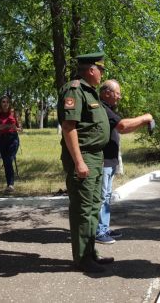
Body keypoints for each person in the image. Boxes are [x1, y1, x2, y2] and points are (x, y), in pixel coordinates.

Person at [57, 51, 113, 273]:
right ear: (91, 69)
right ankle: (82, 259)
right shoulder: (75, 90)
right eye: (101, 69)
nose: (102, 74)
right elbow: (69, 127)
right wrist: (79, 162)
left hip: (96, 156)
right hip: (83, 156)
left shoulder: (90, 92)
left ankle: (91, 253)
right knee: (82, 209)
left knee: (92, 207)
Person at [95, 79, 154, 244]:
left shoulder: (107, 108)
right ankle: (99, 232)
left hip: (109, 160)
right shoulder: (101, 108)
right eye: (117, 93)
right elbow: (122, 125)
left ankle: (103, 228)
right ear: (107, 93)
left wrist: (143, 122)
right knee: (102, 196)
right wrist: (145, 117)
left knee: (106, 195)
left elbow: (125, 128)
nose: (119, 97)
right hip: (103, 160)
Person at [0, 96, 21, 192]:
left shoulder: (14, 113)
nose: (5, 104)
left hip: (13, 138)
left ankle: (10, 184)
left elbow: (20, 128)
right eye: (3, 102)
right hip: (2, 139)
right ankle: (9, 183)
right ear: (0, 103)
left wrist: (16, 128)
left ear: (9, 103)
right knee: (6, 162)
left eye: (7, 102)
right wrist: (7, 126)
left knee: (9, 160)